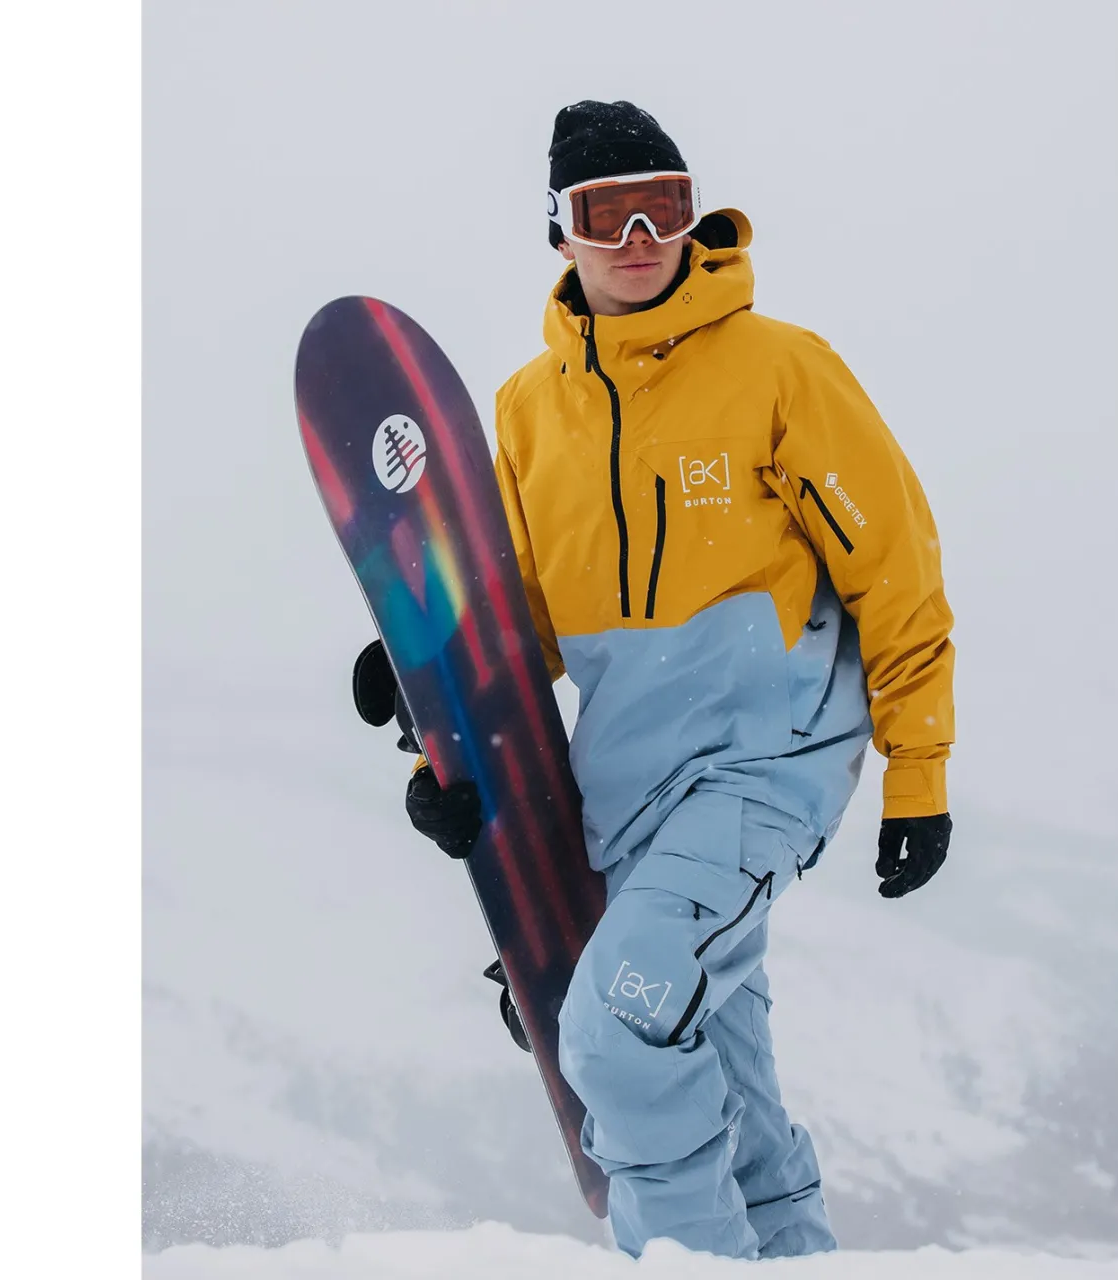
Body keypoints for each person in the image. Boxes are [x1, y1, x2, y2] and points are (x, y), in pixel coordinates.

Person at [402, 100, 956, 1260]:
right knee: (723, 1076)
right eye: (608, 211)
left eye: (665, 205)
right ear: (558, 229)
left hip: (766, 763)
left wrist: (918, 771)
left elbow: (893, 566)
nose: (642, 235)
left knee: (615, 1027)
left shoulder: (778, 369)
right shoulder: (527, 410)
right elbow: (522, 628)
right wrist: (440, 742)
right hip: (630, 791)